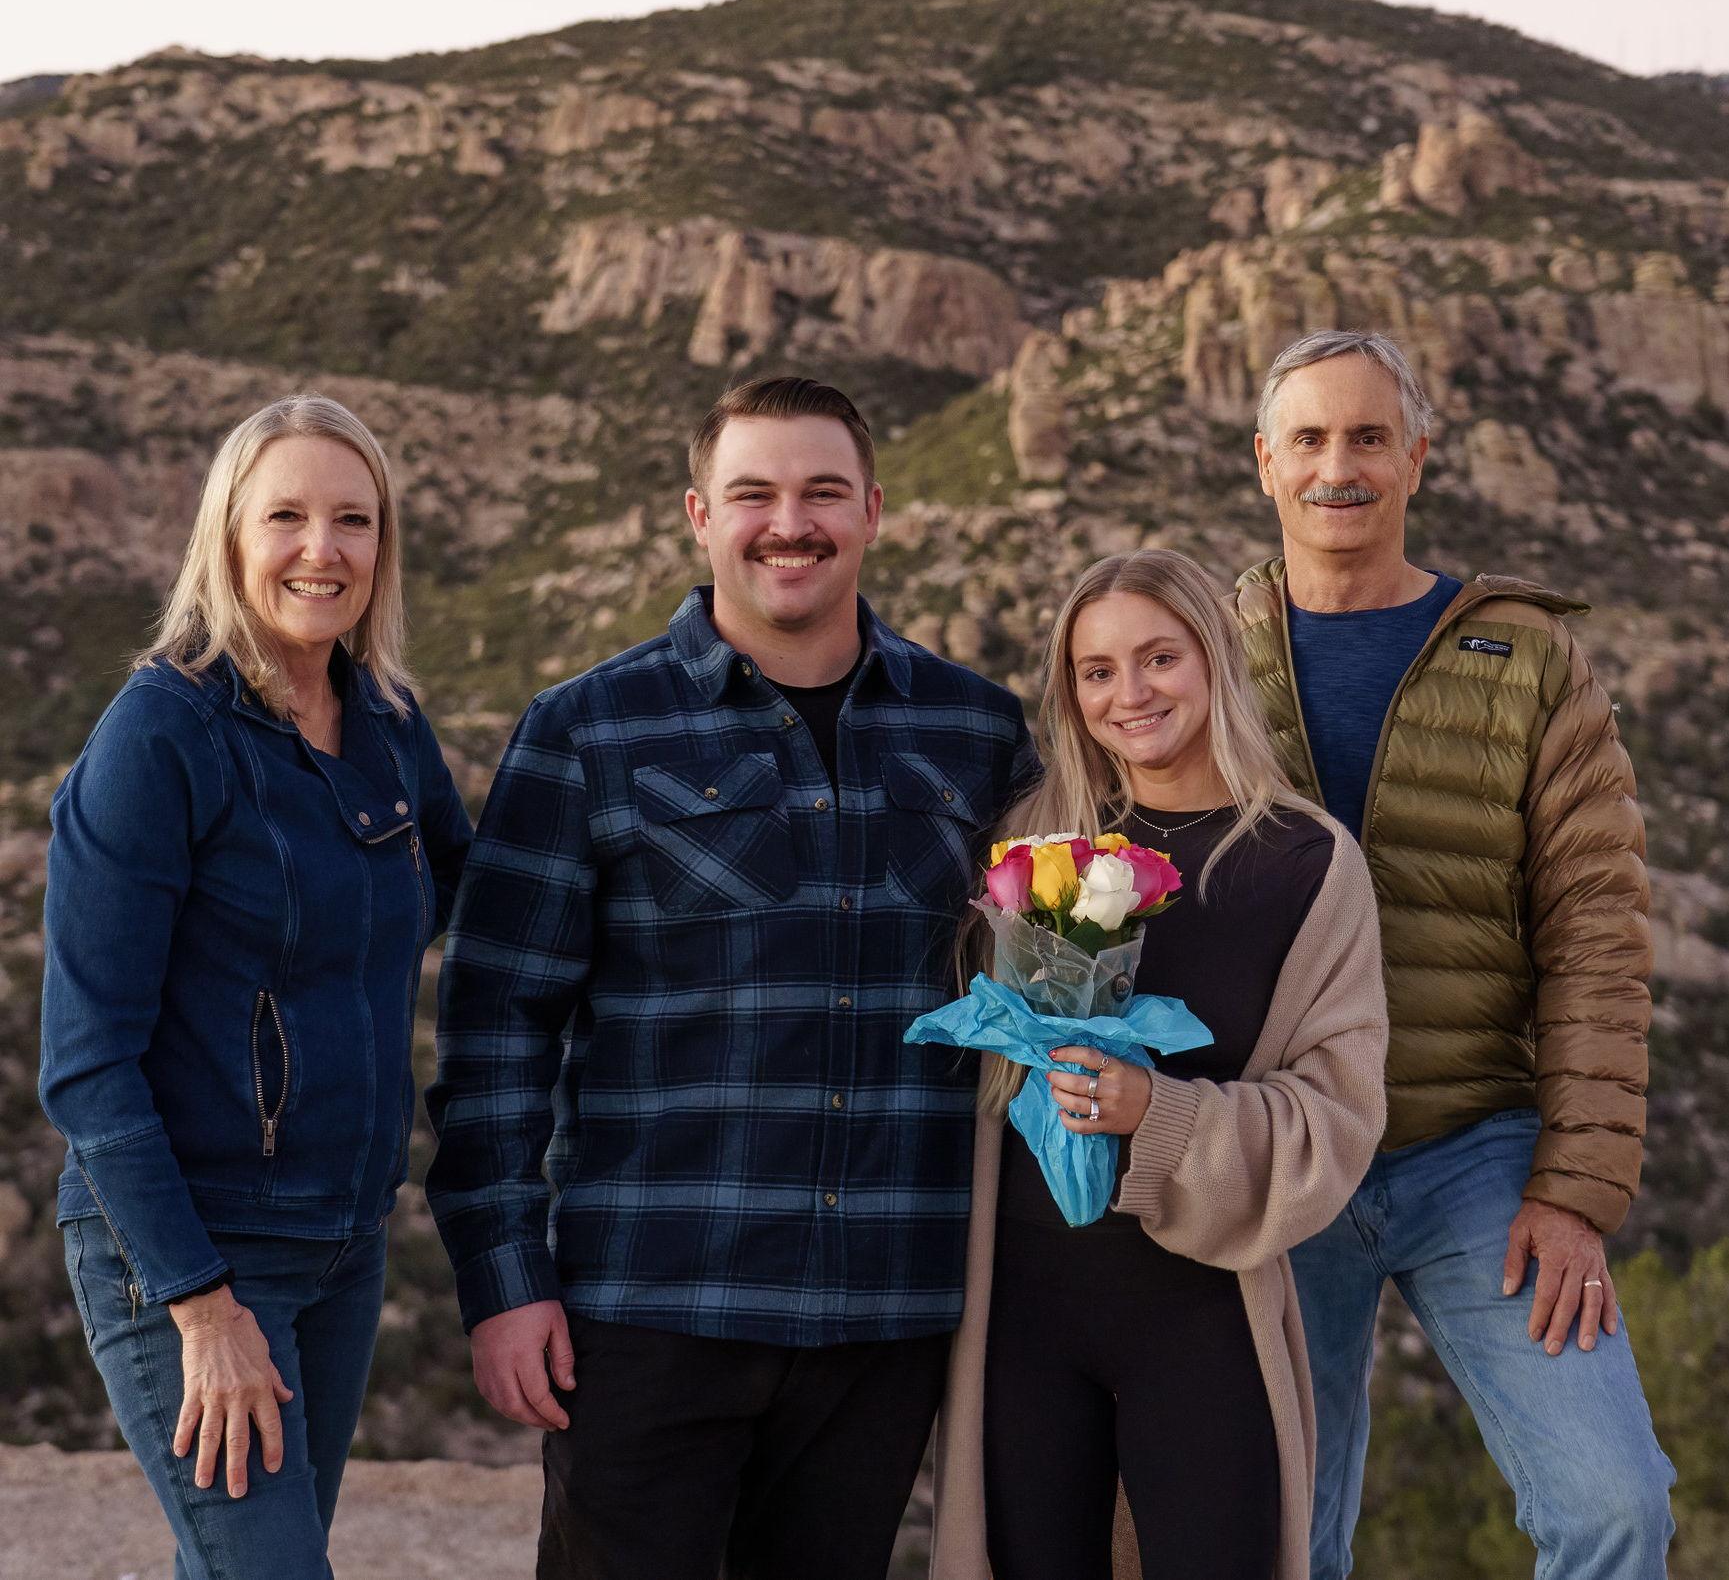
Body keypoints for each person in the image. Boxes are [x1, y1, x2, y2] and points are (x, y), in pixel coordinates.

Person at [425, 375, 1039, 1580]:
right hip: (651, 1305)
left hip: (886, 1310)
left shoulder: (976, 734)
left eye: (821, 491)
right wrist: (503, 1280)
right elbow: (498, 1023)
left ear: (872, 509)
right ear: (700, 515)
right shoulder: (588, 729)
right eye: (754, 493)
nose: (788, 522)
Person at [1234, 327, 1676, 1579]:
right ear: (1264, 461)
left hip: (1476, 1158)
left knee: (1613, 1506)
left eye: (1369, 435)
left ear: (1417, 456)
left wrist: (1576, 1191)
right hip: (1280, 1155)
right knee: (1279, 1538)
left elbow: (1596, 933)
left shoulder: (1531, 658)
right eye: (1309, 438)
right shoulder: (1203, 653)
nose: (1340, 465)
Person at [39, 395, 472, 1579]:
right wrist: (199, 1307)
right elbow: (83, 1062)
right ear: (228, 536)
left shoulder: (385, 725)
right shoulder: (159, 737)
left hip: (344, 1238)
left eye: (354, 518)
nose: (322, 549)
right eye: (286, 515)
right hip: (187, 1243)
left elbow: (488, 901)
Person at [929, 548, 1389, 1580]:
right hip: (1023, 1314)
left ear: (1214, 658)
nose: (1128, 693)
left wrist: (1158, 1111)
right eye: (1096, 671)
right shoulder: (1032, 850)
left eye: (1158, 657)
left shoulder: (1307, 865)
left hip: (1203, 1314)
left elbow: (1338, 1118)